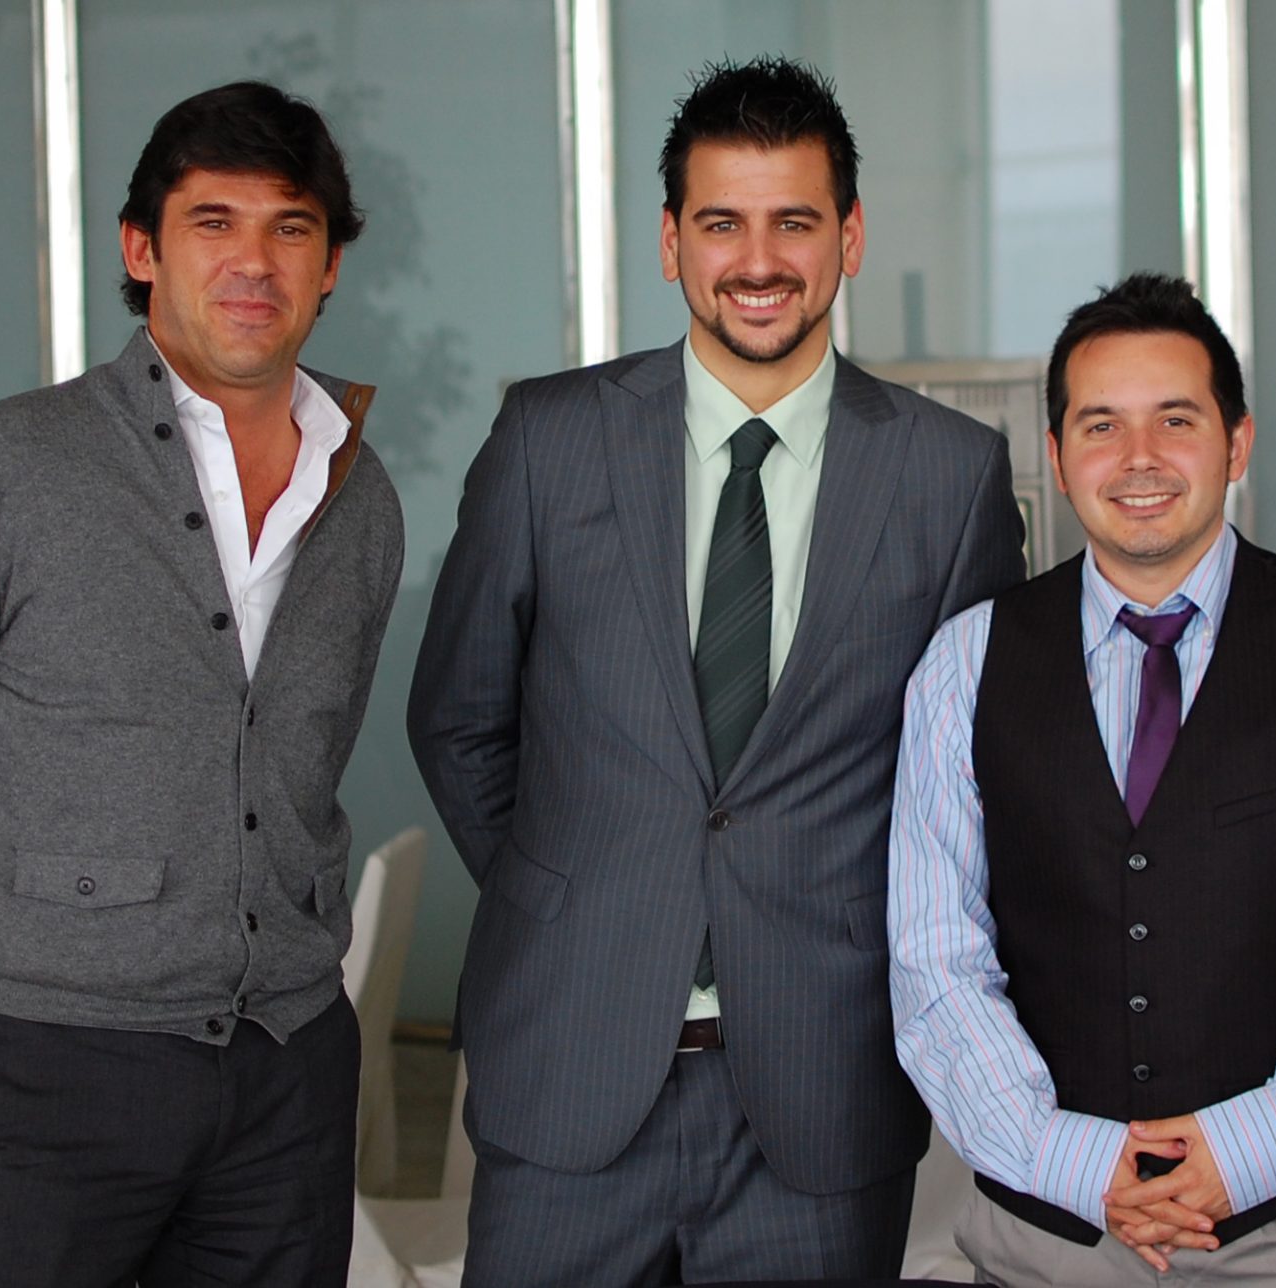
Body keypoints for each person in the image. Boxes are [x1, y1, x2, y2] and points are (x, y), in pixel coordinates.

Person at [407, 55, 1026, 1284]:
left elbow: (974, 773)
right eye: (720, 223)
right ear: (669, 242)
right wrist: (576, 892)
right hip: (569, 1068)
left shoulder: (948, 475)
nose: (758, 260)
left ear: (848, 237)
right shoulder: (547, 440)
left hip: (820, 1082)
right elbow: (459, 718)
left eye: (793, 221)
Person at [0, 80, 402, 1287]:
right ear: (140, 249)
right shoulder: (0, 469)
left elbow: (302, 768)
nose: (253, 261)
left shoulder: (361, 497)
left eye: (291, 227)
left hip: (288, 1069)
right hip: (46, 1071)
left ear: (329, 267)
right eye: (213, 222)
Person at [889, 272, 1276, 1287]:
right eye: (1100, 425)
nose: (1139, 457)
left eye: (1176, 420)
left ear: (1236, 444)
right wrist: (1069, 1160)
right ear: (1056, 456)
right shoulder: (964, 662)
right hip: (1047, 1237)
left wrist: (1254, 1147)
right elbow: (935, 960)